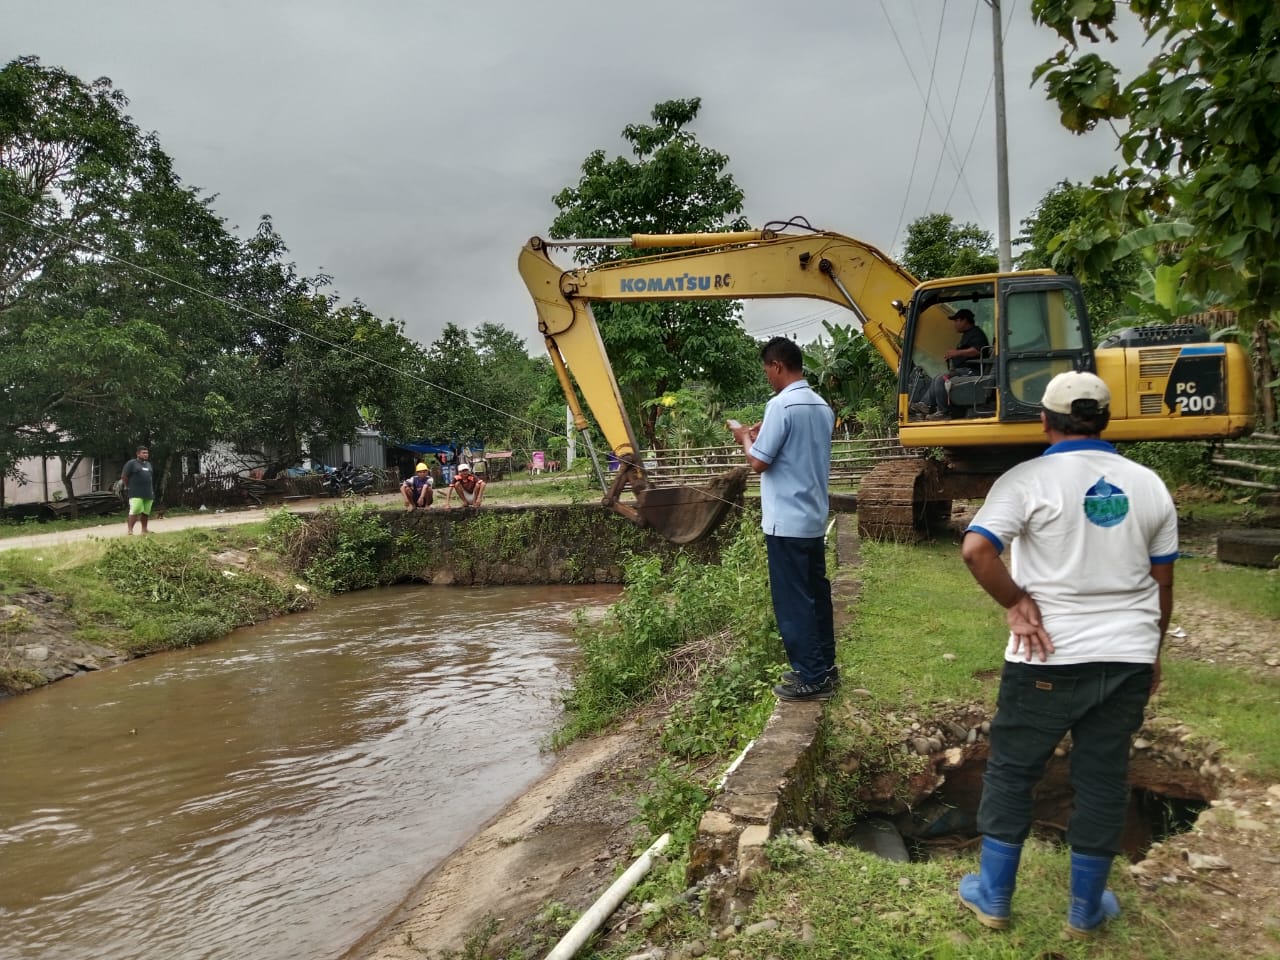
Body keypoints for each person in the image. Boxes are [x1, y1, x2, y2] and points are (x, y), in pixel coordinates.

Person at [957, 371, 1177, 939]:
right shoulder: (1150, 485)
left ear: (1044, 420)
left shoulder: (1027, 480)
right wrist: (1151, 649)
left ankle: (994, 897)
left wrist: (1016, 602)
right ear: (1105, 421)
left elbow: (977, 551)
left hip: (1046, 657)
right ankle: (1084, 911)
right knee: (1103, 778)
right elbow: (1162, 584)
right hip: (1126, 654)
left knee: (1011, 770)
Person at [729, 336, 837, 702]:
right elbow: (794, 451)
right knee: (817, 595)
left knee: (794, 602)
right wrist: (761, 437)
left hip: (785, 521)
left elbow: (759, 461)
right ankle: (826, 667)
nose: (767, 378)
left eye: (767, 371)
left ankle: (809, 676)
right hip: (812, 517)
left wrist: (744, 437)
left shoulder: (781, 405)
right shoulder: (821, 406)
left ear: (776, 366)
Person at [911, 308, 989, 420]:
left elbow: (977, 350)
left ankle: (945, 412)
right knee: (937, 377)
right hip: (964, 370)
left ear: (964, 321)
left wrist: (956, 353)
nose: (954, 324)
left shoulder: (976, 334)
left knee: (942, 379)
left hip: (972, 371)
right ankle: (925, 404)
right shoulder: (967, 334)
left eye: (956, 321)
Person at [120, 446, 156, 535]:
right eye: (143, 453)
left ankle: (144, 530)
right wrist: (128, 486)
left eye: (147, 453)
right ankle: (130, 530)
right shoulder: (132, 463)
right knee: (135, 510)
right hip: (135, 492)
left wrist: (151, 490)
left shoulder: (148, 464)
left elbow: (150, 478)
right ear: (138, 454)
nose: (146, 455)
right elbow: (124, 476)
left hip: (148, 492)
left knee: (146, 512)